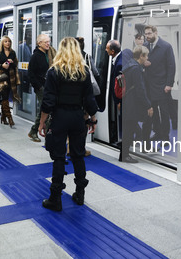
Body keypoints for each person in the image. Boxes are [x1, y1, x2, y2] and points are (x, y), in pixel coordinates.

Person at [38, 37, 98, 211]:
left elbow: (48, 101)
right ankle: (80, 194)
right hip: (78, 117)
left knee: (58, 157)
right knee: (78, 155)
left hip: (60, 118)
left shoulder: (54, 71)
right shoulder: (84, 71)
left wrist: (42, 123)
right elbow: (89, 99)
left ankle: (55, 199)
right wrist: (92, 119)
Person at [142, 25, 176, 143]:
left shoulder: (166, 47)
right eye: (146, 34)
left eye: (149, 33)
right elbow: (139, 61)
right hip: (149, 85)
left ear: (155, 33)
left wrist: (169, 84)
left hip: (162, 85)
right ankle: (157, 132)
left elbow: (171, 66)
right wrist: (143, 63)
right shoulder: (145, 46)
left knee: (164, 112)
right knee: (153, 111)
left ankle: (165, 136)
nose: (147, 36)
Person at [121, 46, 153, 163]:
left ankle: (123, 155)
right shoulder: (136, 69)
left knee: (128, 129)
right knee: (129, 130)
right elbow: (140, 89)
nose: (147, 58)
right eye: (146, 55)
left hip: (127, 101)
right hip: (132, 103)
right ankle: (125, 156)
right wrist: (148, 105)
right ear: (141, 56)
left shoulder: (129, 65)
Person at [0, 35, 20, 127]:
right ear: (2, 43)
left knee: (6, 97)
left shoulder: (13, 53)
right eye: (6, 41)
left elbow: (16, 63)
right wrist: (1, 66)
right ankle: (9, 117)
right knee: (4, 97)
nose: (8, 43)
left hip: (10, 77)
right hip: (1, 77)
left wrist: (12, 62)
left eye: (9, 41)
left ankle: (3, 117)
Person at [27, 34, 51, 142]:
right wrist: (39, 87)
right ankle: (35, 130)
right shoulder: (35, 56)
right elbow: (31, 74)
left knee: (44, 108)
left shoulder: (48, 54)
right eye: (45, 42)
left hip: (48, 86)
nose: (48, 43)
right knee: (44, 108)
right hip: (41, 87)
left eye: (49, 41)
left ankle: (35, 131)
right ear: (39, 43)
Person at [106, 40, 122, 144]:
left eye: (107, 48)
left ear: (112, 51)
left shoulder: (120, 64)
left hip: (122, 99)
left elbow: (120, 86)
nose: (105, 50)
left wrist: (119, 101)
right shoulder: (118, 59)